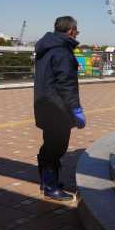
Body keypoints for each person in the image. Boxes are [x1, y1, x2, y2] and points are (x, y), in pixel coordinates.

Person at [34, 16, 86, 201]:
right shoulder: (62, 52)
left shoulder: (46, 47)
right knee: (56, 148)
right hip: (58, 108)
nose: (77, 33)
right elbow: (66, 85)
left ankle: (47, 181)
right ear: (71, 30)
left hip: (44, 104)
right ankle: (50, 187)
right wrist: (76, 110)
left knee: (50, 144)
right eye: (77, 30)